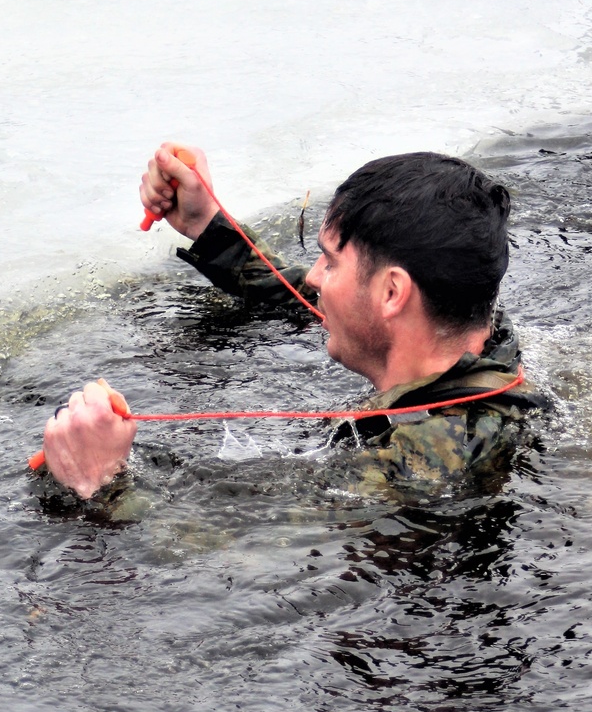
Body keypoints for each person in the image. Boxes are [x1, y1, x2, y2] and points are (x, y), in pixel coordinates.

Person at [38, 143, 543, 506]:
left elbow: (223, 548)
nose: (316, 279)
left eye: (329, 261)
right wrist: (207, 226)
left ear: (392, 292)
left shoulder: (419, 471)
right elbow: (318, 296)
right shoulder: (481, 339)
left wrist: (101, 484)